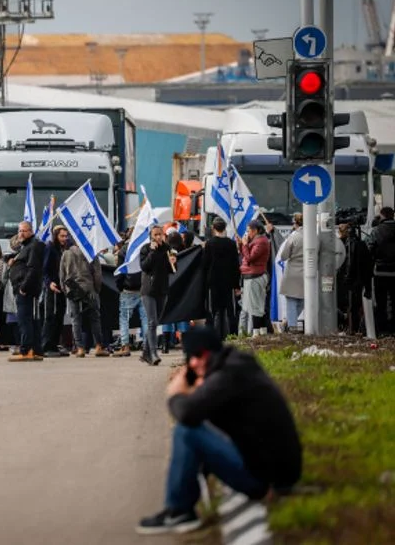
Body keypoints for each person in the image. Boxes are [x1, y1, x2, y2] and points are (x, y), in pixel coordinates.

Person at [136, 327, 302, 535]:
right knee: (196, 427)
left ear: (210, 353)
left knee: (186, 431)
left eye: (198, 356)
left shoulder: (228, 376)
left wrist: (175, 395)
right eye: (190, 358)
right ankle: (182, 503)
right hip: (276, 473)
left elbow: (188, 413)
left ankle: (179, 511)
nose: (194, 363)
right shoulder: (236, 365)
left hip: (264, 479)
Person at [61, 240, 109, 358]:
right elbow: (97, 273)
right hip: (89, 288)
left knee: (75, 319)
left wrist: (65, 290)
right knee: (95, 318)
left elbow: (61, 274)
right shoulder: (91, 252)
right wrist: (96, 289)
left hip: (72, 289)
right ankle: (98, 346)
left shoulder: (66, 253)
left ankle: (80, 348)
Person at [8, 221, 44, 361]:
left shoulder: (34, 246)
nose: (21, 234)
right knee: (30, 320)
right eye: (19, 231)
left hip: (26, 290)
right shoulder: (26, 246)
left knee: (25, 320)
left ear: (30, 231)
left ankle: (27, 350)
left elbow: (33, 268)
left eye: (24, 231)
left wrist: (24, 287)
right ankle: (36, 349)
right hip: (23, 288)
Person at [201, 217, 240, 340]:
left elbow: (205, 265)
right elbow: (235, 265)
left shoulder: (209, 244)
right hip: (228, 282)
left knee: (214, 310)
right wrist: (236, 285)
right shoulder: (231, 244)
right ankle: (232, 335)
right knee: (229, 310)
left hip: (213, 282)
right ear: (225, 228)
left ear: (213, 228)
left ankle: (214, 336)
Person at [140, 225, 172, 366]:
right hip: (148, 290)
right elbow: (144, 266)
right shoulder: (146, 249)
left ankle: (145, 353)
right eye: (156, 234)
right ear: (151, 236)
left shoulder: (167, 249)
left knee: (156, 321)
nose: (158, 237)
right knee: (152, 322)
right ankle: (153, 353)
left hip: (162, 289)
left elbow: (171, 270)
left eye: (160, 234)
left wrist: (173, 263)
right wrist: (152, 252)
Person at [115, 234, 147, 358]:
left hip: (128, 289)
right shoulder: (144, 248)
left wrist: (120, 286)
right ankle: (147, 345)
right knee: (145, 318)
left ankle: (125, 346)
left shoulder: (124, 250)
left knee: (124, 319)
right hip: (143, 288)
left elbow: (120, 271)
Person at [338, 223, 373, 335]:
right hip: (356, 280)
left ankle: (353, 328)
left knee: (352, 306)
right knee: (354, 306)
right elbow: (367, 266)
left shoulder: (343, 244)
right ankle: (354, 328)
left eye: (341, 229)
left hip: (349, 280)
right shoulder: (360, 244)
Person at [238, 220, 271, 336]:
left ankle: (257, 333)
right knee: (255, 305)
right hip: (252, 275)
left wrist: (245, 245)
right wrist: (242, 244)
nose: (247, 234)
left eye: (249, 231)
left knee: (256, 306)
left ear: (255, 230)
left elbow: (250, 258)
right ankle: (261, 331)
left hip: (255, 276)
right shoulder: (258, 241)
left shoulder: (261, 242)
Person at [42, 225, 70, 357]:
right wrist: (49, 283)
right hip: (52, 286)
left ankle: (54, 344)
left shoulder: (64, 248)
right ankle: (47, 345)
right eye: (62, 236)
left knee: (60, 316)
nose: (64, 238)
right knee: (51, 316)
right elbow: (45, 268)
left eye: (66, 236)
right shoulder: (50, 247)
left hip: (62, 286)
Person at [368, 206, 395, 336]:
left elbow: (369, 249)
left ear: (382, 216)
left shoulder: (376, 231)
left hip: (381, 272)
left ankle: (383, 330)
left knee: (381, 303)